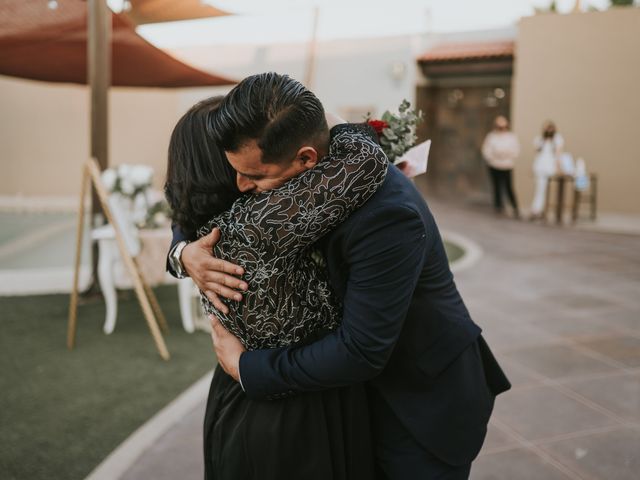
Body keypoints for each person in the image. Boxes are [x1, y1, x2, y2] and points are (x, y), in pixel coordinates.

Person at [168, 73, 511, 479]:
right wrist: (184, 252)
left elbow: (361, 350)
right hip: (351, 394)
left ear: (307, 159)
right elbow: (205, 196)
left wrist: (247, 369)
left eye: (256, 177)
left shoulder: (386, 216)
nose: (243, 188)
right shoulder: (285, 140)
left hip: (417, 396)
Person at [165, 93, 389, 479]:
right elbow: (367, 160)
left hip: (235, 396)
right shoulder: (266, 219)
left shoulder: (205, 229)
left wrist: (181, 252)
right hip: (298, 410)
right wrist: (319, 119)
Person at [481, 115, 520, 217]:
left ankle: (514, 206)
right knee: (496, 186)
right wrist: (493, 157)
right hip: (494, 164)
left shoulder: (511, 137)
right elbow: (486, 150)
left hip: (507, 165)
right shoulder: (491, 136)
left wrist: (505, 155)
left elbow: (515, 150)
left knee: (508, 187)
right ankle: (498, 206)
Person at [530, 120, 564, 220]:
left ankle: (537, 209)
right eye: (546, 128)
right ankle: (537, 210)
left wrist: (559, 167)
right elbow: (536, 151)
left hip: (550, 167)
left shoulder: (558, 139)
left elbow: (558, 154)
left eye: (550, 128)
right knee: (540, 188)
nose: (548, 130)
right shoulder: (539, 139)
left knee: (544, 189)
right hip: (540, 166)